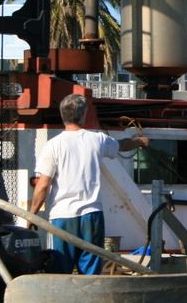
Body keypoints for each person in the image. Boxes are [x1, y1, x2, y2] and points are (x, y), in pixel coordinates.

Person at [30, 93, 149, 274]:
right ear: (84, 114)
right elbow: (122, 145)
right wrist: (140, 141)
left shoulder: (52, 145)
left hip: (62, 217)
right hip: (92, 216)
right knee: (91, 271)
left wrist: (31, 215)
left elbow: (43, 185)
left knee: (59, 271)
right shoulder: (97, 139)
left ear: (62, 115)